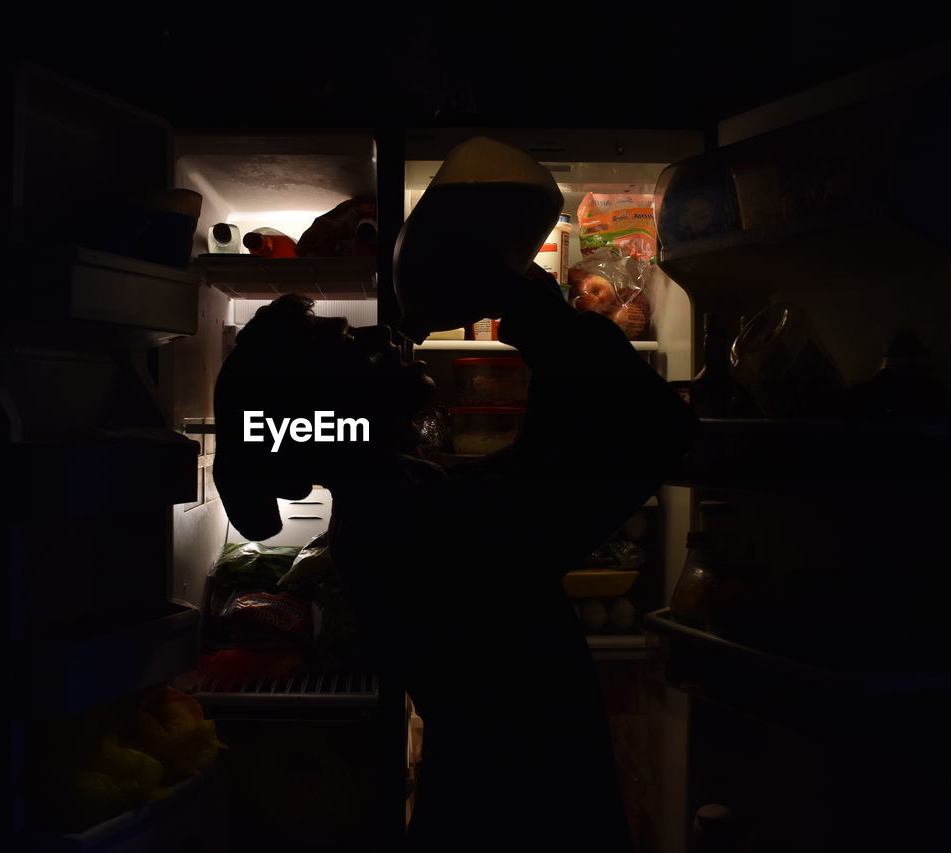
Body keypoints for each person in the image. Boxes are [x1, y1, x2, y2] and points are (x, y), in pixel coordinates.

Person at [213, 265, 697, 850]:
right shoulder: (406, 519)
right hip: (517, 815)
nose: (384, 336)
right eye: (348, 344)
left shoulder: (399, 497)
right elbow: (642, 435)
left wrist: (532, 310)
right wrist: (533, 309)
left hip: (490, 805)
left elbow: (547, 461)